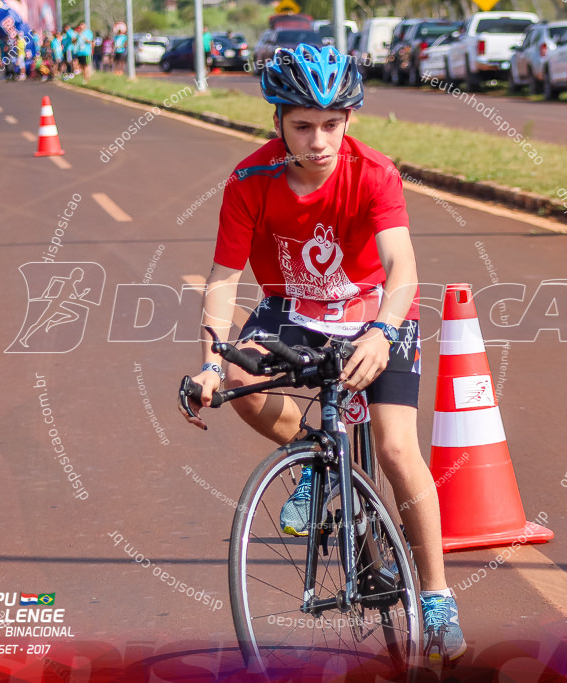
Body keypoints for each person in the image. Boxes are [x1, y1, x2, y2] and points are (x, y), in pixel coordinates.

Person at [177, 44, 466, 665]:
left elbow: (402, 267)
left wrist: (384, 331)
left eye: (331, 124)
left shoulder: (374, 172)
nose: (317, 140)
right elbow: (223, 279)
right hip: (294, 305)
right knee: (234, 373)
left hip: (375, 311)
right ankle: (315, 456)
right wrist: (206, 362)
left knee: (393, 447)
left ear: (348, 121)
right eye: (302, 125)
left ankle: (438, 597)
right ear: (276, 120)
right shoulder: (250, 180)